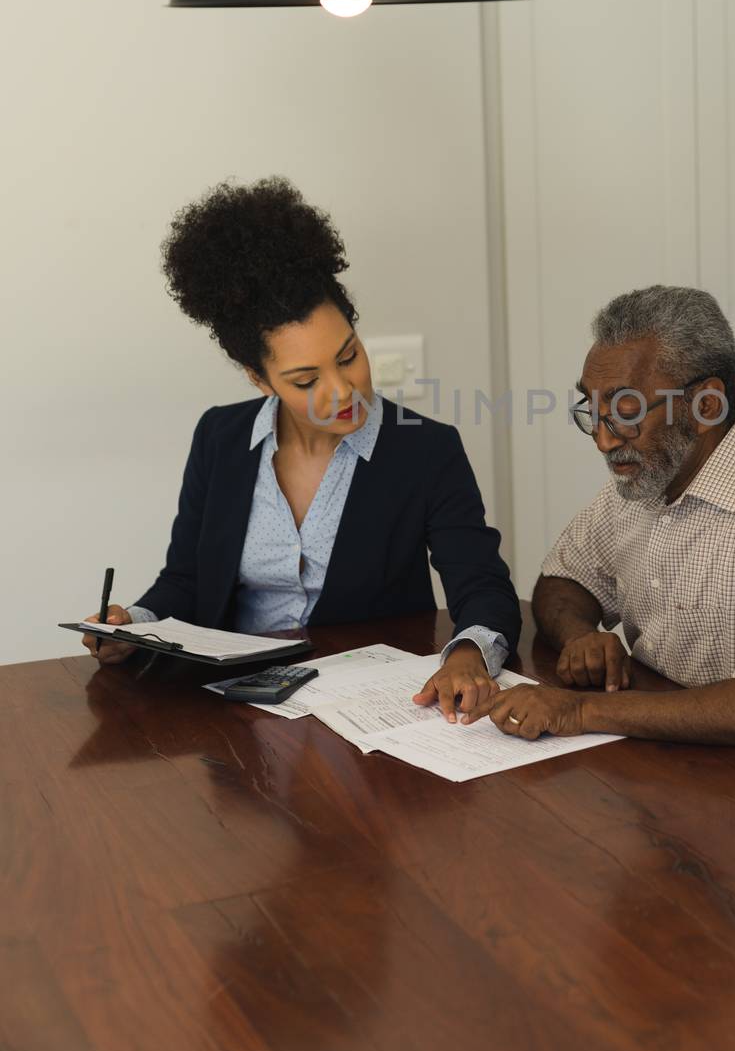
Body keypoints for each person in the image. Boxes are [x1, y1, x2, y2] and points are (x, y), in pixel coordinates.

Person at [81, 177, 520, 720]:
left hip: (370, 710)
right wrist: (136, 627)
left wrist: (469, 654)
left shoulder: (426, 450)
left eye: (349, 355)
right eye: (306, 379)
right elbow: (187, 580)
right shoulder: (219, 438)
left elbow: (482, 586)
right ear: (258, 378)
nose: (343, 390)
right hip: (233, 709)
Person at [467, 285, 735, 789]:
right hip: (686, 766)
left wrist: (582, 710)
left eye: (625, 411)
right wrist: (582, 635)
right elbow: (563, 578)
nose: (603, 440)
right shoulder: (648, 476)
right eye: (592, 410)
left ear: (706, 404)